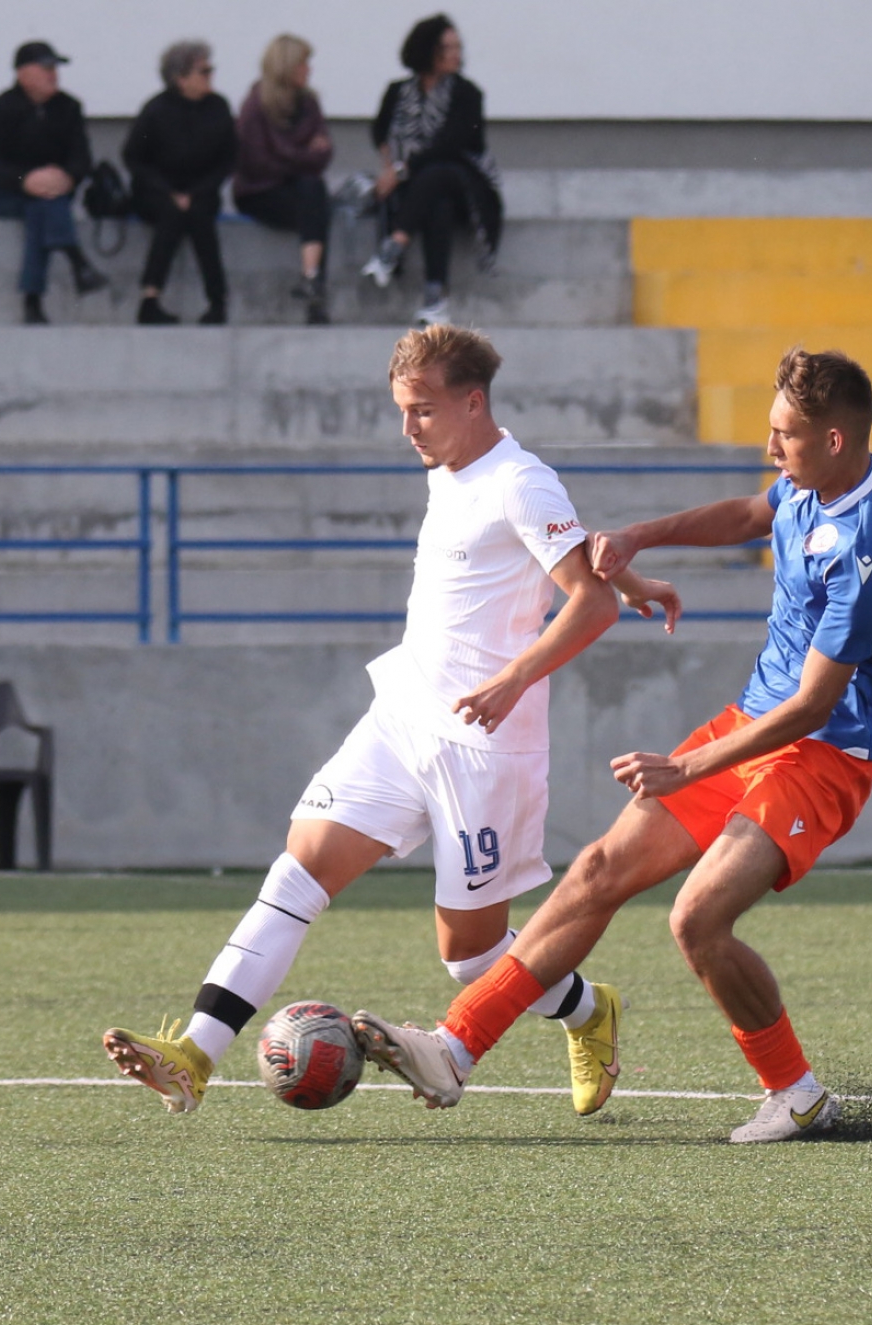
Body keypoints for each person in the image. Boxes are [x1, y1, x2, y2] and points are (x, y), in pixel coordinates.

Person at [101, 325, 681, 1116]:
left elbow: (591, 603)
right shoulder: (452, 467)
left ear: (473, 403)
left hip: (484, 746)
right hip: (404, 714)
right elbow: (561, 555)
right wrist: (637, 578)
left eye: (423, 411)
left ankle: (588, 1008)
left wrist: (515, 676)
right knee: (298, 869)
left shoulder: (521, 480)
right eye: (402, 410)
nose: (408, 428)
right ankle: (194, 1056)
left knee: (471, 958)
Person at [350, 348, 872, 1144]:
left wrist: (685, 765)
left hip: (828, 751)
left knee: (698, 918)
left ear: (833, 440)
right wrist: (640, 537)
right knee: (599, 869)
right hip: (756, 722)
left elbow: (813, 705)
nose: (770, 448)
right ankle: (454, 1048)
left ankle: (795, 1093)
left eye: (784, 436)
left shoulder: (869, 542)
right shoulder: (815, 478)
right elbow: (751, 513)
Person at [362, 14, 504, 329]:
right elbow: (380, 131)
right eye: (447, 47)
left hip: (465, 182)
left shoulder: (467, 93)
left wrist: (400, 171)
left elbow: (450, 145)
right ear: (427, 50)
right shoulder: (398, 91)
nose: (456, 54)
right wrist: (390, 164)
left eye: (458, 47)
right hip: (419, 189)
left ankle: (393, 246)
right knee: (438, 205)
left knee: (438, 172)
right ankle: (434, 299)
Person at [0, 40, 108, 324]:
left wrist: (67, 177)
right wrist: (24, 180)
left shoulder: (68, 107)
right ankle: (76, 260)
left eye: (55, 68)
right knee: (44, 205)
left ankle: (33, 301)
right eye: (46, 68)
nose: (53, 75)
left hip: (54, 192)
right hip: (6, 194)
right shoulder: (1, 108)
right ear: (23, 73)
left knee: (41, 208)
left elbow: (81, 157)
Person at [123, 40, 238, 325]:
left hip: (201, 189)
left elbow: (228, 157)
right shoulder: (156, 110)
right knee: (172, 214)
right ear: (180, 78)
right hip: (157, 190)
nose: (210, 76)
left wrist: (198, 190)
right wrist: (167, 191)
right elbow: (135, 156)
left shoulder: (218, 108)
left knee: (200, 216)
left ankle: (217, 301)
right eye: (203, 71)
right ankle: (150, 298)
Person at [233, 34, 334, 325]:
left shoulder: (309, 103)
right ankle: (313, 288)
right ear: (286, 66)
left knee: (314, 193)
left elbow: (324, 154)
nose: (308, 69)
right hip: (259, 191)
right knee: (314, 201)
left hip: (296, 187)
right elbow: (257, 163)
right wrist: (302, 154)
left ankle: (311, 279)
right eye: (303, 63)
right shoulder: (256, 105)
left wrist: (287, 154)